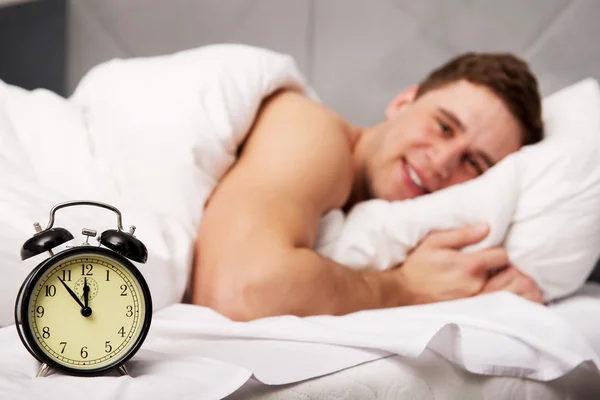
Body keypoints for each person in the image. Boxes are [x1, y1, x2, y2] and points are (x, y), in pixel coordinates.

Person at [190, 52, 545, 321]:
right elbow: (241, 290)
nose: (442, 161)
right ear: (403, 102)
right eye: (444, 127)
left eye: (473, 163)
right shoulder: (314, 135)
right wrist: (406, 287)